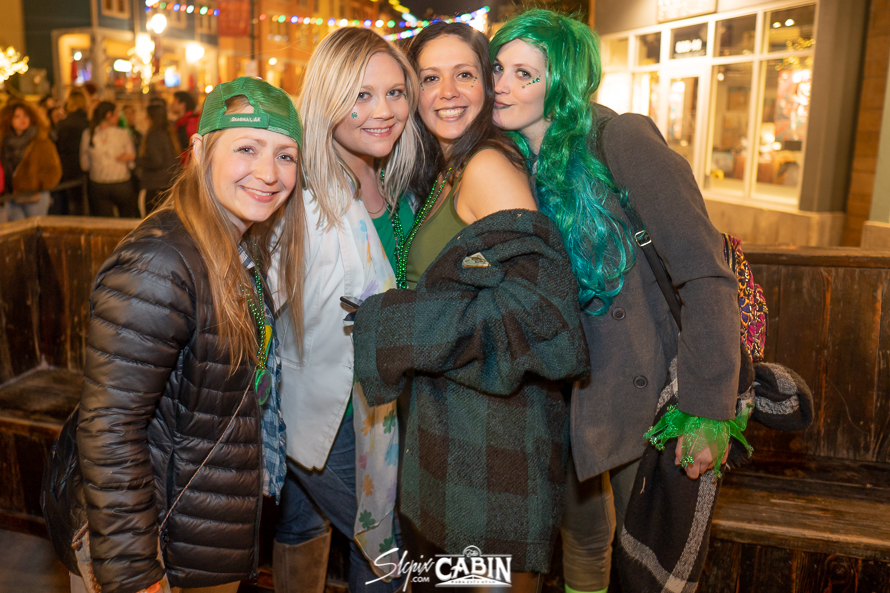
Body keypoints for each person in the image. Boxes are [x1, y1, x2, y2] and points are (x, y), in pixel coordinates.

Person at [490, 10, 742, 593]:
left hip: (643, 393)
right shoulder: (505, 160)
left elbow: (705, 272)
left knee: (647, 560)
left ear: (563, 80)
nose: (501, 85)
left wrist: (707, 411)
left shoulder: (620, 138)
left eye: (524, 74)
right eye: (498, 68)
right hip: (560, 394)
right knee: (581, 539)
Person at [351, 22, 589, 592]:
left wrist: (397, 323)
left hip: (497, 441)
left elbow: (540, 312)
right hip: (457, 429)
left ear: (487, 83)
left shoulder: (487, 167)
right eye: (430, 78)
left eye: (464, 74)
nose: (448, 93)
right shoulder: (446, 169)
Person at [45, 76, 305, 593]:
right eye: (247, 148)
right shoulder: (162, 260)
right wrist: (135, 573)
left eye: (286, 156)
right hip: (153, 544)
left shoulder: (234, 247)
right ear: (200, 151)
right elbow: (110, 426)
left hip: (197, 529)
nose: (268, 173)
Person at [268, 27, 418, 593]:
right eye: (361, 95)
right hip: (327, 414)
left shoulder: (396, 183)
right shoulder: (300, 198)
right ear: (327, 99)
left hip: (382, 405)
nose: (383, 111)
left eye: (395, 92)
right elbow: (246, 306)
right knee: (386, 548)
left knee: (303, 522)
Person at [0, 101, 62, 220]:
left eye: (25, 115)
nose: (22, 119)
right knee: (18, 229)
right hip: (12, 197)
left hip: (35, 198)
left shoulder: (41, 140)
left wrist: (38, 185)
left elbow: (53, 169)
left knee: (36, 228)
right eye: (17, 116)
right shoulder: (5, 142)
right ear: (9, 119)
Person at [80, 101, 138, 217]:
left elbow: (84, 165)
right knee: (126, 219)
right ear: (108, 115)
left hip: (98, 184)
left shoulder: (88, 134)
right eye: (116, 114)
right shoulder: (123, 134)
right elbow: (132, 162)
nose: (118, 117)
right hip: (121, 184)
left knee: (104, 221)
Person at [137, 102, 180, 214]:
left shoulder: (154, 135)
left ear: (151, 118)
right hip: (168, 183)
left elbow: (156, 161)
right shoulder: (169, 132)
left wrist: (137, 160)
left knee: (150, 218)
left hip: (155, 184)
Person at [55, 91, 90, 215]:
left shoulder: (61, 125)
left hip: (66, 167)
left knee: (69, 202)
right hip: (84, 168)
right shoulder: (88, 124)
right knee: (83, 203)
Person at [172, 91, 200, 166]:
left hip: (189, 165)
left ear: (182, 104)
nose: (172, 104)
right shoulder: (181, 122)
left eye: (175, 101)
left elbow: (194, 146)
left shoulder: (191, 121)